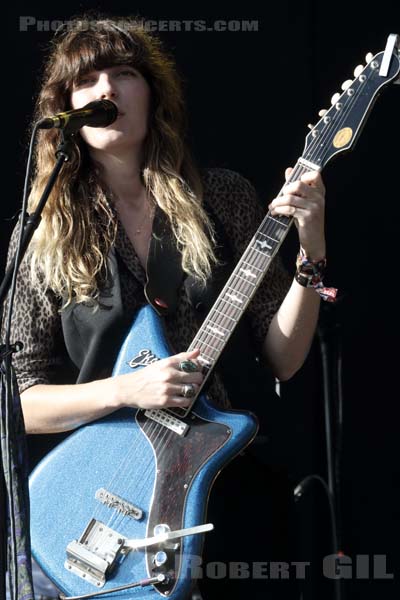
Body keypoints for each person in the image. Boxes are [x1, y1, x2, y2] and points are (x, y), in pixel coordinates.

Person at [2, 14, 332, 600]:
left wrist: (311, 250)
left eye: (124, 73)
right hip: (91, 498)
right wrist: (129, 390)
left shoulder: (222, 197)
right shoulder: (44, 234)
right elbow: (20, 403)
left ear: (153, 93)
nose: (106, 90)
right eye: (88, 80)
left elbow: (283, 356)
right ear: (67, 109)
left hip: (216, 488)